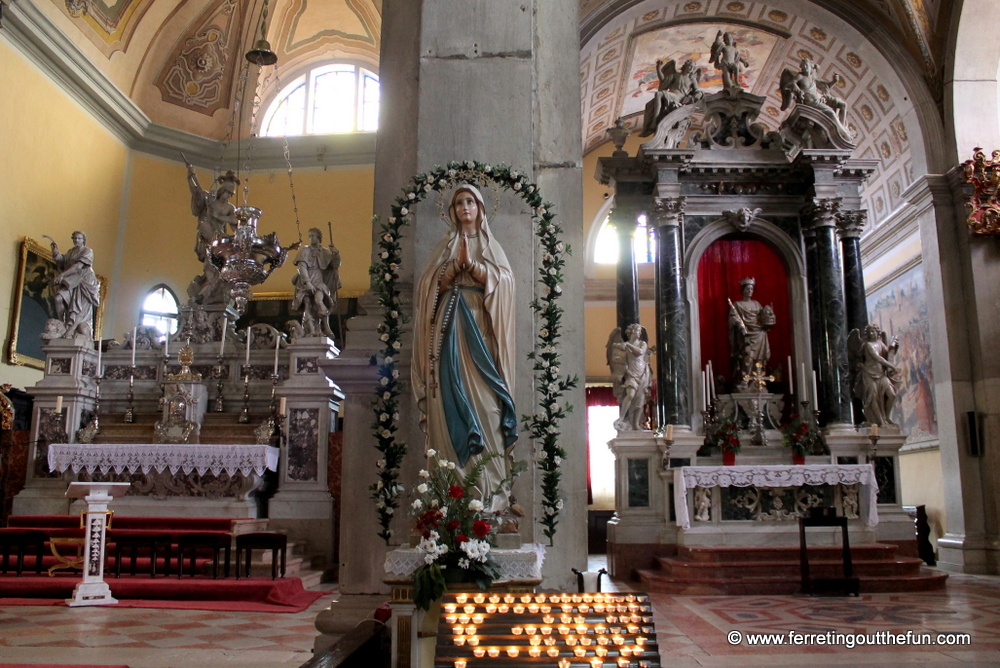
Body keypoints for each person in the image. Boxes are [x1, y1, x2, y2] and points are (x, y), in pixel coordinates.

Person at [413, 185, 518, 512]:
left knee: (488, 408)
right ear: (452, 210)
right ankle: (450, 496)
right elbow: (427, 288)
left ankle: (491, 494)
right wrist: (449, 270)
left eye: (469, 201)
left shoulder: (491, 246)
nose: (464, 207)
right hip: (447, 331)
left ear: (480, 208)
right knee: (446, 404)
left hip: (480, 331)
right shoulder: (443, 246)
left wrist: (473, 267)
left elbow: (506, 286)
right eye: (458, 202)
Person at [185, 163, 239, 304]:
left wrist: (219, 217)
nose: (228, 196)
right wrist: (191, 175)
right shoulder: (209, 201)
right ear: (222, 190)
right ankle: (208, 288)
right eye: (227, 192)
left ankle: (207, 290)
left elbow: (235, 221)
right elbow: (197, 193)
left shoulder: (229, 207)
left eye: (231, 194)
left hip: (218, 237)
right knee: (211, 260)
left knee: (216, 262)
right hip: (207, 234)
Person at [291, 227, 341, 338]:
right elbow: (302, 267)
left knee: (319, 301)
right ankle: (312, 330)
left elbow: (334, 265)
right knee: (308, 305)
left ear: (318, 237)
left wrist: (335, 253)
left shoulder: (325, 252)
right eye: (309, 236)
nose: (310, 238)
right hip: (304, 282)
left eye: (312, 236)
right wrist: (308, 282)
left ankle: (325, 327)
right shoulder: (305, 251)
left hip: (318, 280)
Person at [49, 231, 100, 338]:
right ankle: (63, 324)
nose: (76, 240)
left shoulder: (88, 251)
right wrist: (56, 253)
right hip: (72, 279)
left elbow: (78, 266)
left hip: (84, 279)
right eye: (75, 238)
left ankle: (71, 329)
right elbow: (63, 262)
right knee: (58, 298)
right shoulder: (71, 252)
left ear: (83, 240)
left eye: (79, 238)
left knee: (78, 306)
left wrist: (62, 276)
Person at [728, 277, 775, 390]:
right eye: (748, 289)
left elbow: (763, 318)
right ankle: (745, 380)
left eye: (752, 289)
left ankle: (758, 382)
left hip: (759, 334)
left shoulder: (757, 304)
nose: (750, 291)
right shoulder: (738, 304)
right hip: (746, 335)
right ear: (743, 290)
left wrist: (769, 314)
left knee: (759, 360)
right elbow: (733, 318)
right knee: (747, 359)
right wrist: (738, 324)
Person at [851, 324, 901, 426]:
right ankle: (880, 422)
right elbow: (878, 358)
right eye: (869, 332)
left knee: (891, 394)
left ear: (877, 332)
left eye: (873, 331)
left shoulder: (880, 343)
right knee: (872, 398)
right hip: (869, 373)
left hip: (881, 374)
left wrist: (893, 347)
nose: (871, 333)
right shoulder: (867, 345)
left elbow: (887, 354)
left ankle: (886, 417)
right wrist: (892, 367)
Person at [639, 59, 704, 137]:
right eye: (690, 66)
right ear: (685, 66)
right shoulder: (676, 75)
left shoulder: (692, 79)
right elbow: (663, 80)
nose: (691, 68)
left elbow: (697, 90)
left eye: (693, 67)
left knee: (659, 94)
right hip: (671, 95)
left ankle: (654, 121)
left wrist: (698, 94)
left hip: (679, 97)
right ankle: (654, 121)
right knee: (650, 104)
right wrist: (658, 68)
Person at [779, 58, 848, 128]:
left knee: (843, 104)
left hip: (821, 97)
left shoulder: (813, 77)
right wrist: (798, 90)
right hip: (811, 100)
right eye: (803, 66)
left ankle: (843, 126)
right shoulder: (800, 76)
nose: (804, 67)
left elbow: (826, 86)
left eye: (806, 65)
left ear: (810, 66)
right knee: (831, 113)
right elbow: (791, 83)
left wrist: (834, 81)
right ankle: (840, 130)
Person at [613, 324, 652, 431]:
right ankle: (622, 418)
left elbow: (640, 352)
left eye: (640, 331)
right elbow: (619, 359)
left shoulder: (642, 343)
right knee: (630, 394)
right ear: (632, 331)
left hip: (642, 373)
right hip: (631, 373)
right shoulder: (625, 345)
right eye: (638, 331)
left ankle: (635, 424)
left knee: (640, 399)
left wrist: (627, 345)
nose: (639, 333)